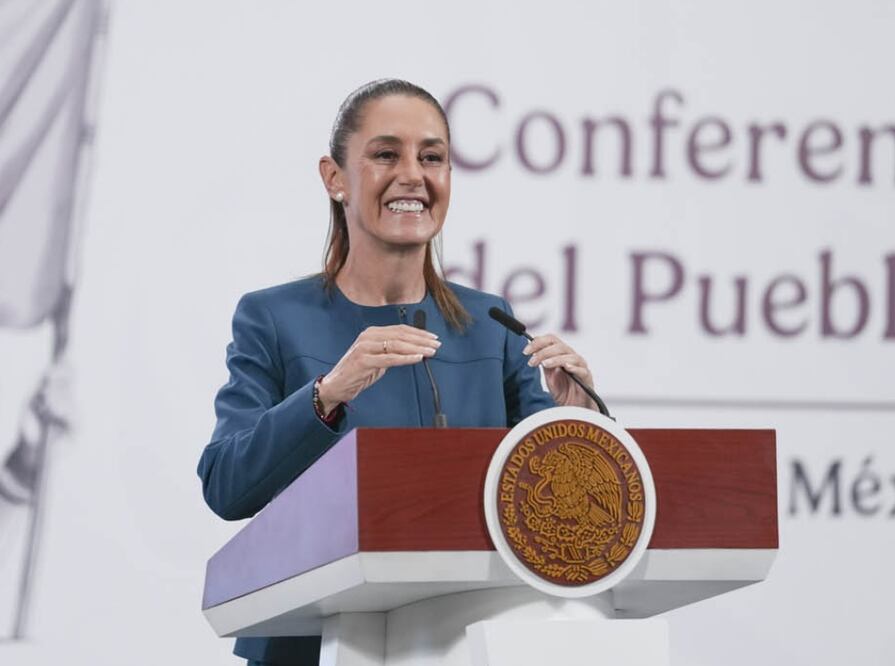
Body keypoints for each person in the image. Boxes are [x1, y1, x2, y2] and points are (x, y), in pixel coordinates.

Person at [196, 79, 599, 666]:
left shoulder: (494, 324)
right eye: (386, 154)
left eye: (431, 157)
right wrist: (327, 396)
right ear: (334, 178)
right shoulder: (273, 318)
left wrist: (575, 423)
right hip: (309, 648)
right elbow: (225, 485)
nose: (412, 174)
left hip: (468, 641)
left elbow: (548, 508)